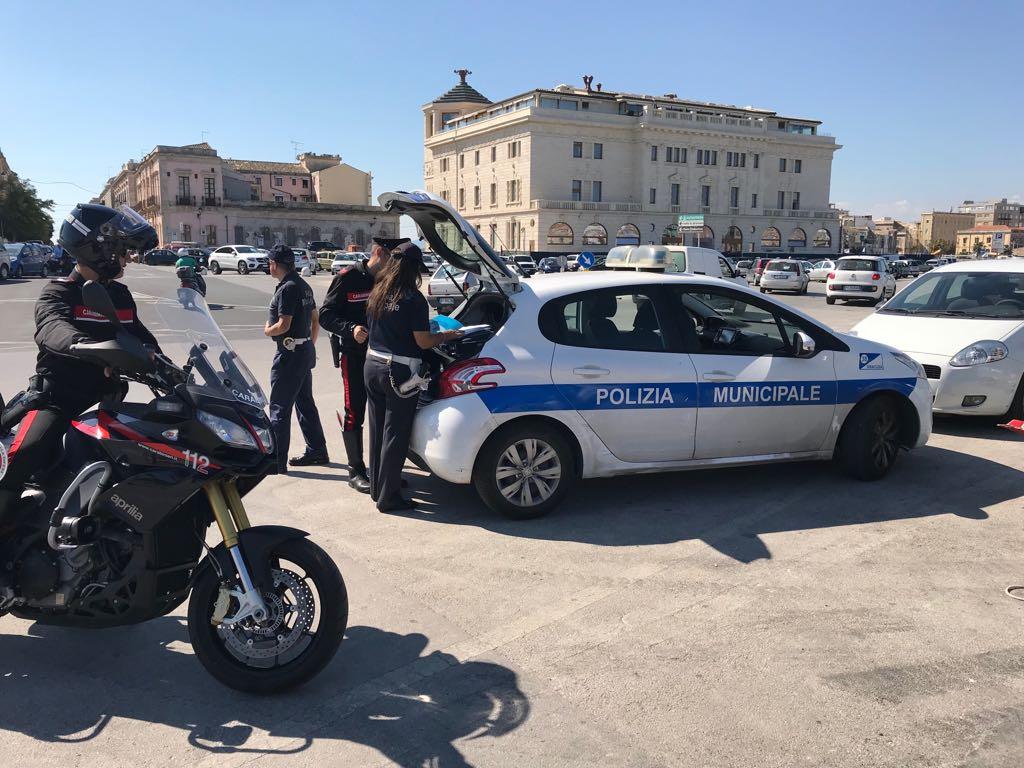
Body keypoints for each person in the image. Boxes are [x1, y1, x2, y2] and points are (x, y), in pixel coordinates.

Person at [0, 203, 160, 523]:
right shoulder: (58, 293)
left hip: (106, 403)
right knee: (24, 455)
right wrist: (85, 345)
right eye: (121, 250)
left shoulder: (120, 296)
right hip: (58, 400)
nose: (127, 258)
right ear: (95, 248)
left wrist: (165, 365)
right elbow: (51, 328)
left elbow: (142, 340)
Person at [364, 242, 461, 512]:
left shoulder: (378, 292)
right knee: (395, 433)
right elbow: (422, 341)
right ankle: (389, 498)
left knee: (377, 428)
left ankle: (377, 488)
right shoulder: (412, 298)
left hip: (372, 364)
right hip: (399, 371)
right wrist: (447, 335)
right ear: (415, 269)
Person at [318, 236, 409, 493]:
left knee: (381, 415)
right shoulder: (348, 278)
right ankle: (355, 470)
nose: (395, 266)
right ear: (379, 252)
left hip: (383, 357)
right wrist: (351, 328)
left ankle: (382, 470)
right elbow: (326, 315)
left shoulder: (389, 281)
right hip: (354, 355)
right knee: (354, 410)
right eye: (393, 258)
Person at [265, 244, 328, 473]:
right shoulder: (303, 285)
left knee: (280, 407)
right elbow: (315, 319)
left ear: (274, 264)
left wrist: (267, 330)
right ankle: (317, 450)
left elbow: (284, 325)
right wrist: (308, 344)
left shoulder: (287, 288)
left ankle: (276, 461)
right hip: (302, 353)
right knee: (304, 403)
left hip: (289, 355)